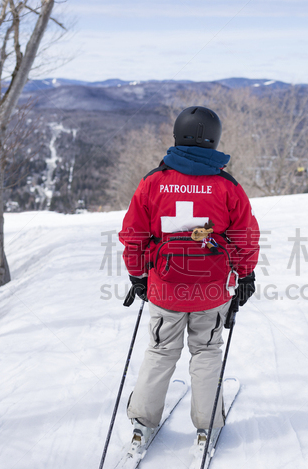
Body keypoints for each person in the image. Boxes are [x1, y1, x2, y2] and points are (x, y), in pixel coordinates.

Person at [119, 106, 259, 451]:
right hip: (212, 290)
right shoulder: (227, 186)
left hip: (165, 287)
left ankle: (141, 425)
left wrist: (138, 275)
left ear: (177, 136)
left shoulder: (153, 182)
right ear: (215, 139)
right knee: (207, 350)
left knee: (161, 349)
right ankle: (207, 427)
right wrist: (245, 275)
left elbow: (133, 234)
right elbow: (245, 236)